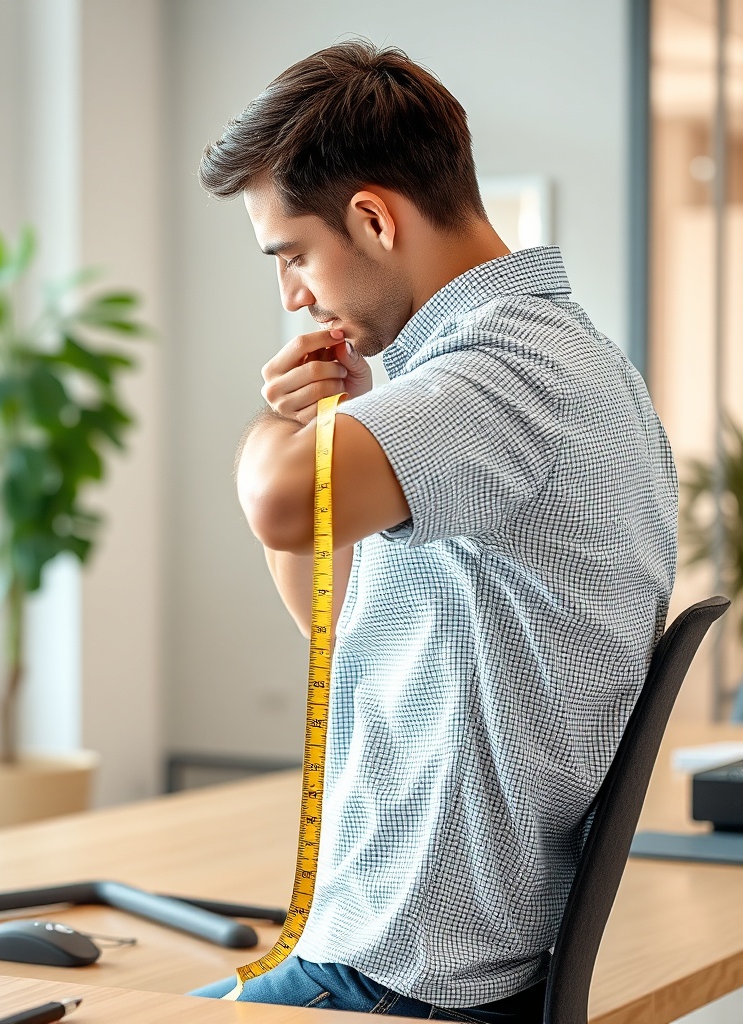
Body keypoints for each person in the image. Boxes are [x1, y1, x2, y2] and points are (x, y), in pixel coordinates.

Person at [189, 39, 677, 1023]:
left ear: (370, 217)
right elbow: (336, 614)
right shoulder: (566, 361)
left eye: (291, 254)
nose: (292, 294)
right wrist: (320, 424)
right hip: (415, 949)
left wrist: (276, 422)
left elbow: (281, 502)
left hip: (404, 966)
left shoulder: (505, 373)